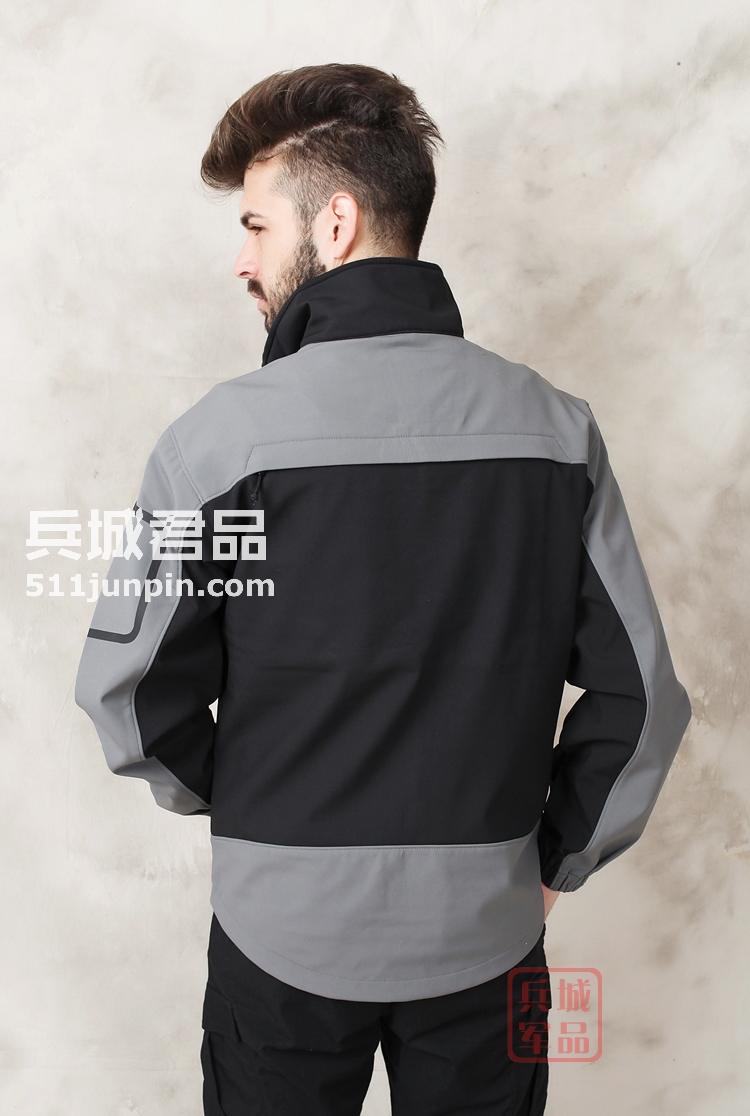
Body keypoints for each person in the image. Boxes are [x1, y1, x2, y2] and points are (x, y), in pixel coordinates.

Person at [74, 64, 691, 1116]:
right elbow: (644, 702)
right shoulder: (557, 432)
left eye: (257, 226)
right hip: (489, 933)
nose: (242, 260)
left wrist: (259, 805)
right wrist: (552, 861)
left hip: (280, 934)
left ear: (338, 222)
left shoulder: (216, 443)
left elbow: (126, 696)